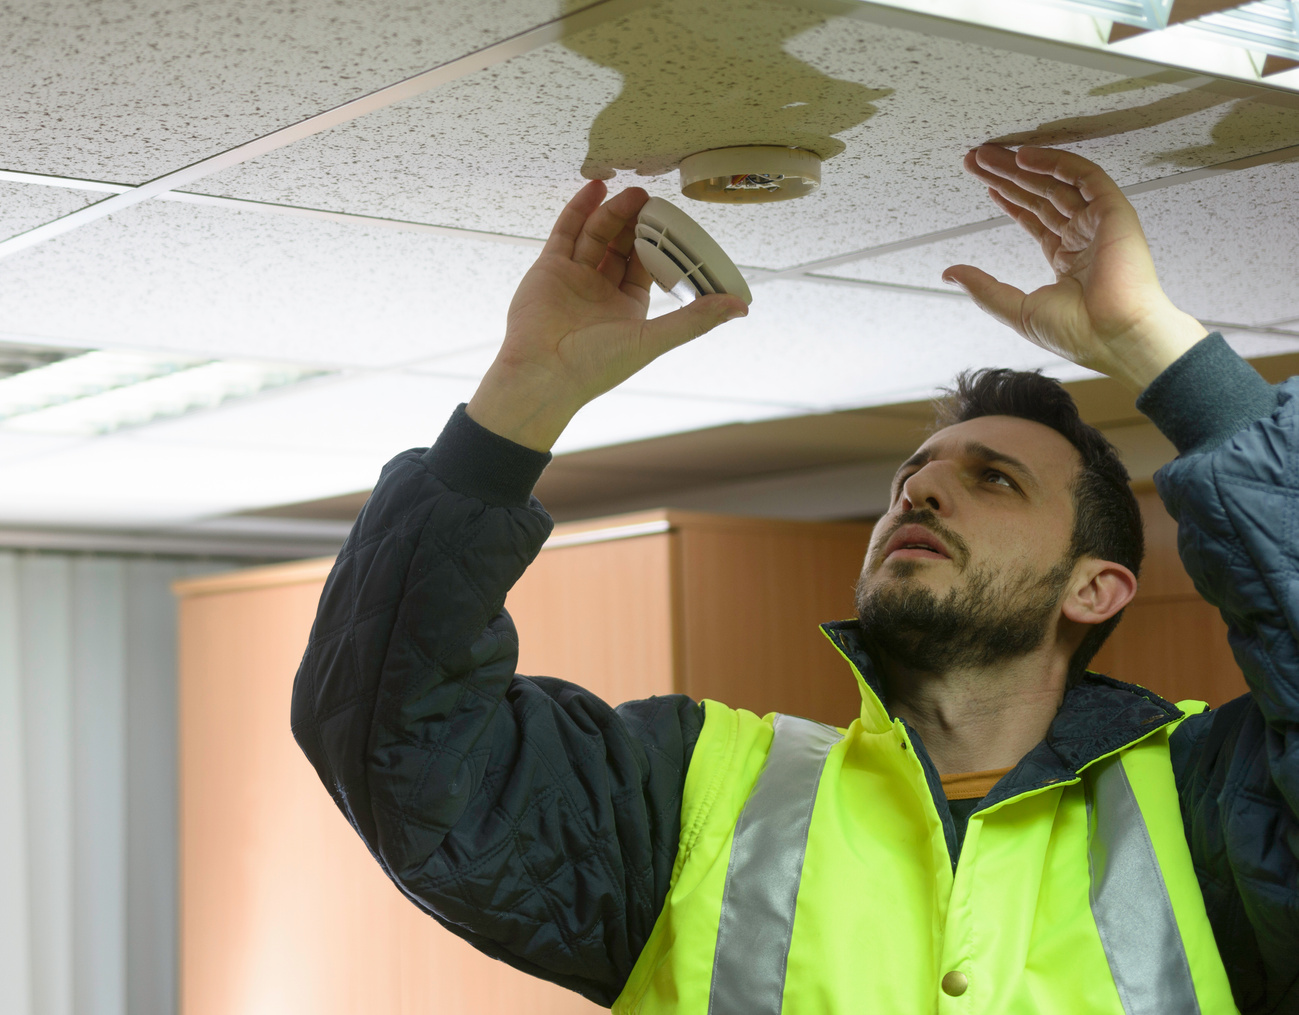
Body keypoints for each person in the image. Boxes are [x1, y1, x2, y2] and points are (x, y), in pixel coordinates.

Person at [290, 146, 1298, 1013]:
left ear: (1095, 589)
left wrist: (1153, 345)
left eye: (993, 479)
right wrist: (523, 395)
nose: (920, 492)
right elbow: (395, 744)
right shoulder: (694, 792)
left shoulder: (1211, 802)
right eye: (912, 478)